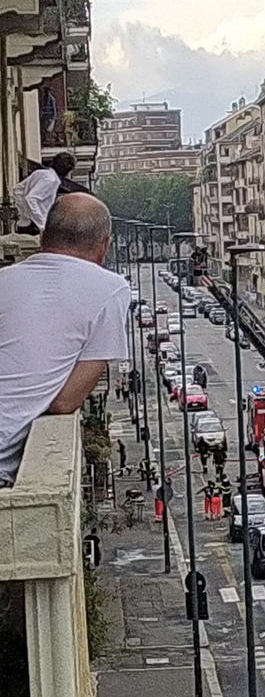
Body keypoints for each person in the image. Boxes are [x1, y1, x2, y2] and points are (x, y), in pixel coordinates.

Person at [0, 194, 130, 489]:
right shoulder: (111, 290)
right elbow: (64, 402)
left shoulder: (3, 278)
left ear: (43, 237)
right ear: (105, 247)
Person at [11, 152, 76, 235]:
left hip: (28, 223)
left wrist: (24, 214)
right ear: (67, 170)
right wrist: (41, 225)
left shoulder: (41, 173)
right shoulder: (51, 180)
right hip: (35, 226)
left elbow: (18, 189)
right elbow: (31, 198)